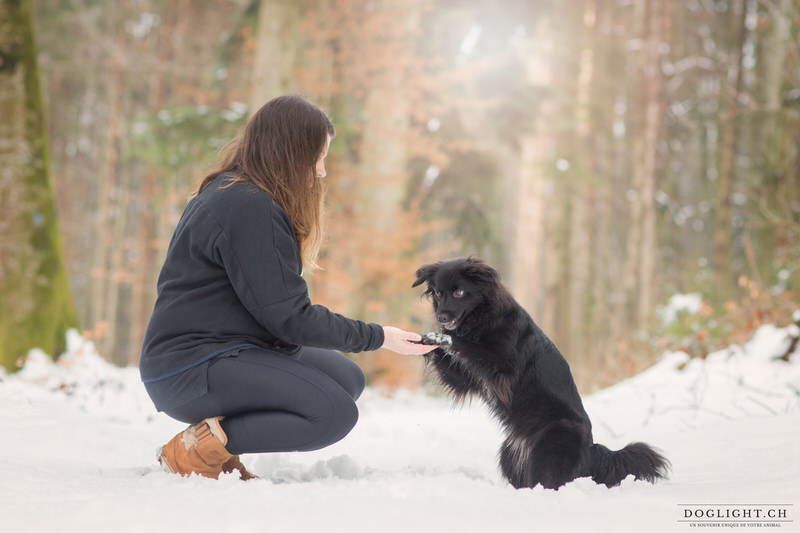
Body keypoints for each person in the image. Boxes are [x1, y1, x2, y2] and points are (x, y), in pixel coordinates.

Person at [139, 94, 435, 480]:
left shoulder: (239, 193)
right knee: (332, 413)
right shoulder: (248, 205)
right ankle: (196, 450)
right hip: (189, 365)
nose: (322, 171)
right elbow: (290, 319)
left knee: (347, 379)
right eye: (318, 157)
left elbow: (274, 312)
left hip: (222, 348)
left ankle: (214, 439)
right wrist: (379, 336)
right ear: (291, 153)